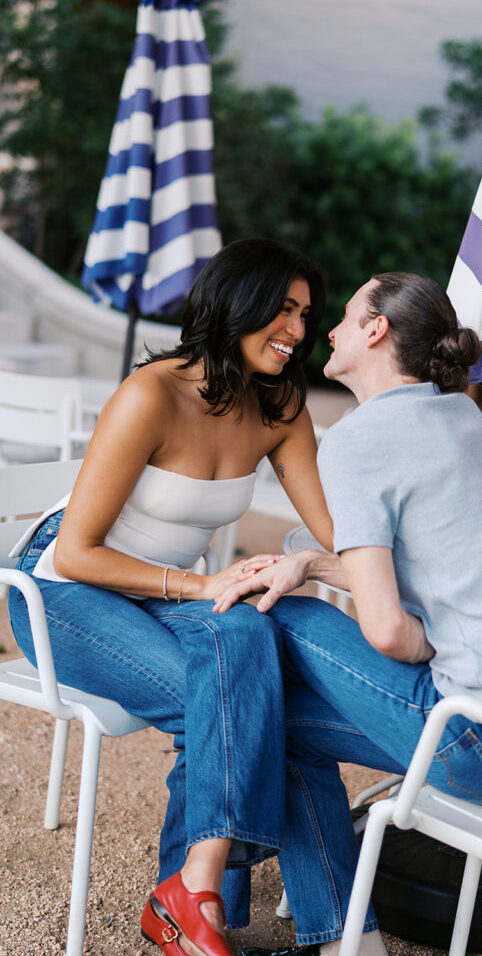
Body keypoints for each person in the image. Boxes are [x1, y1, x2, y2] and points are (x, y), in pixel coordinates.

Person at [216, 272, 482, 956]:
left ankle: (220, 892)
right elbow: (422, 578)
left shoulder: (359, 442)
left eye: (345, 317)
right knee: (286, 726)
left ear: (376, 330)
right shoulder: (460, 415)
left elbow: (388, 631)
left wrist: (422, 645)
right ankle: (343, 944)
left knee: (282, 621)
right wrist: (309, 563)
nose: (325, 331)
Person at [8, 238, 333, 956]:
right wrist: (204, 584)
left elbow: (337, 529)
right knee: (225, 700)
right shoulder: (151, 394)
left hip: (164, 594)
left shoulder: (279, 405)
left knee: (247, 645)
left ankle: (189, 897)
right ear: (235, 303)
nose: (297, 333)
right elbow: (76, 551)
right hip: (61, 591)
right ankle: (197, 907)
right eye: (282, 310)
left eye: (306, 316)